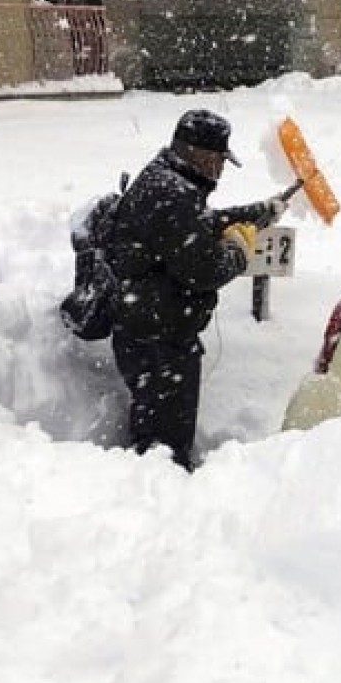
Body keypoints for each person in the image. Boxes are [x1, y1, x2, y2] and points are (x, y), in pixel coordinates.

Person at [103, 109, 286, 471]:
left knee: (153, 434)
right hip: (160, 342)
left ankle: (152, 485)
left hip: (147, 330)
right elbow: (204, 270)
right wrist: (238, 250)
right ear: (197, 154)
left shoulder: (166, 180)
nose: (220, 170)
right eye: (218, 160)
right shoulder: (173, 195)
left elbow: (197, 227)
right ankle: (165, 501)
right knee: (165, 448)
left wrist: (258, 213)